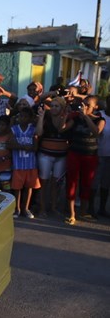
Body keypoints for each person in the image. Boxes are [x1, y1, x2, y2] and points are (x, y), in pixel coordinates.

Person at [64, 95, 105, 224]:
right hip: (75, 153)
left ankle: (83, 211)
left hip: (90, 156)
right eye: (84, 104)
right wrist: (66, 115)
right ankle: (72, 213)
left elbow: (96, 132)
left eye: (88, 105)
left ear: (96, 107)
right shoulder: (76, 118)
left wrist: (86, 117)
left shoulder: (100, 119)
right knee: (72, 182)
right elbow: (63, 128)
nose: (85, 106)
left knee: (86, 183)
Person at [35, 96, 71, 216]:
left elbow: (63, 130)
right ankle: (42, 208)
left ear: (62, 107)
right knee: (43, 182)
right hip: (45, 154)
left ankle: (54, 207)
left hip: (61, 156)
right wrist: (41, 117)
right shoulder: (46, 117)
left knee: (56, 183)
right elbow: (39, 133)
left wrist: (65, 116)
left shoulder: (67, 118)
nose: (54, 108)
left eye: (57, 106)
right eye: (53, 106)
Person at [8, 107, 40, 219]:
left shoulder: (33, 129)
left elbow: (35, 147)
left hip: (30, 164)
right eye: (21, 116)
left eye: (25, 116)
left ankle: (25, 208)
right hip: (18, 164)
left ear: (30, 118)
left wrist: (26, 147)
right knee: (17, 188)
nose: (23, 118)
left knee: (29, 187)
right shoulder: (14, 129)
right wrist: (23, 146)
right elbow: (10, 144)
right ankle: (17, 209)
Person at [93, 99, 110, 217]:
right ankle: (89, 207)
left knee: (106, 183)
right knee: (95, 182)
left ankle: (102, 208)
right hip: (98, 153)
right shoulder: (100, 115)